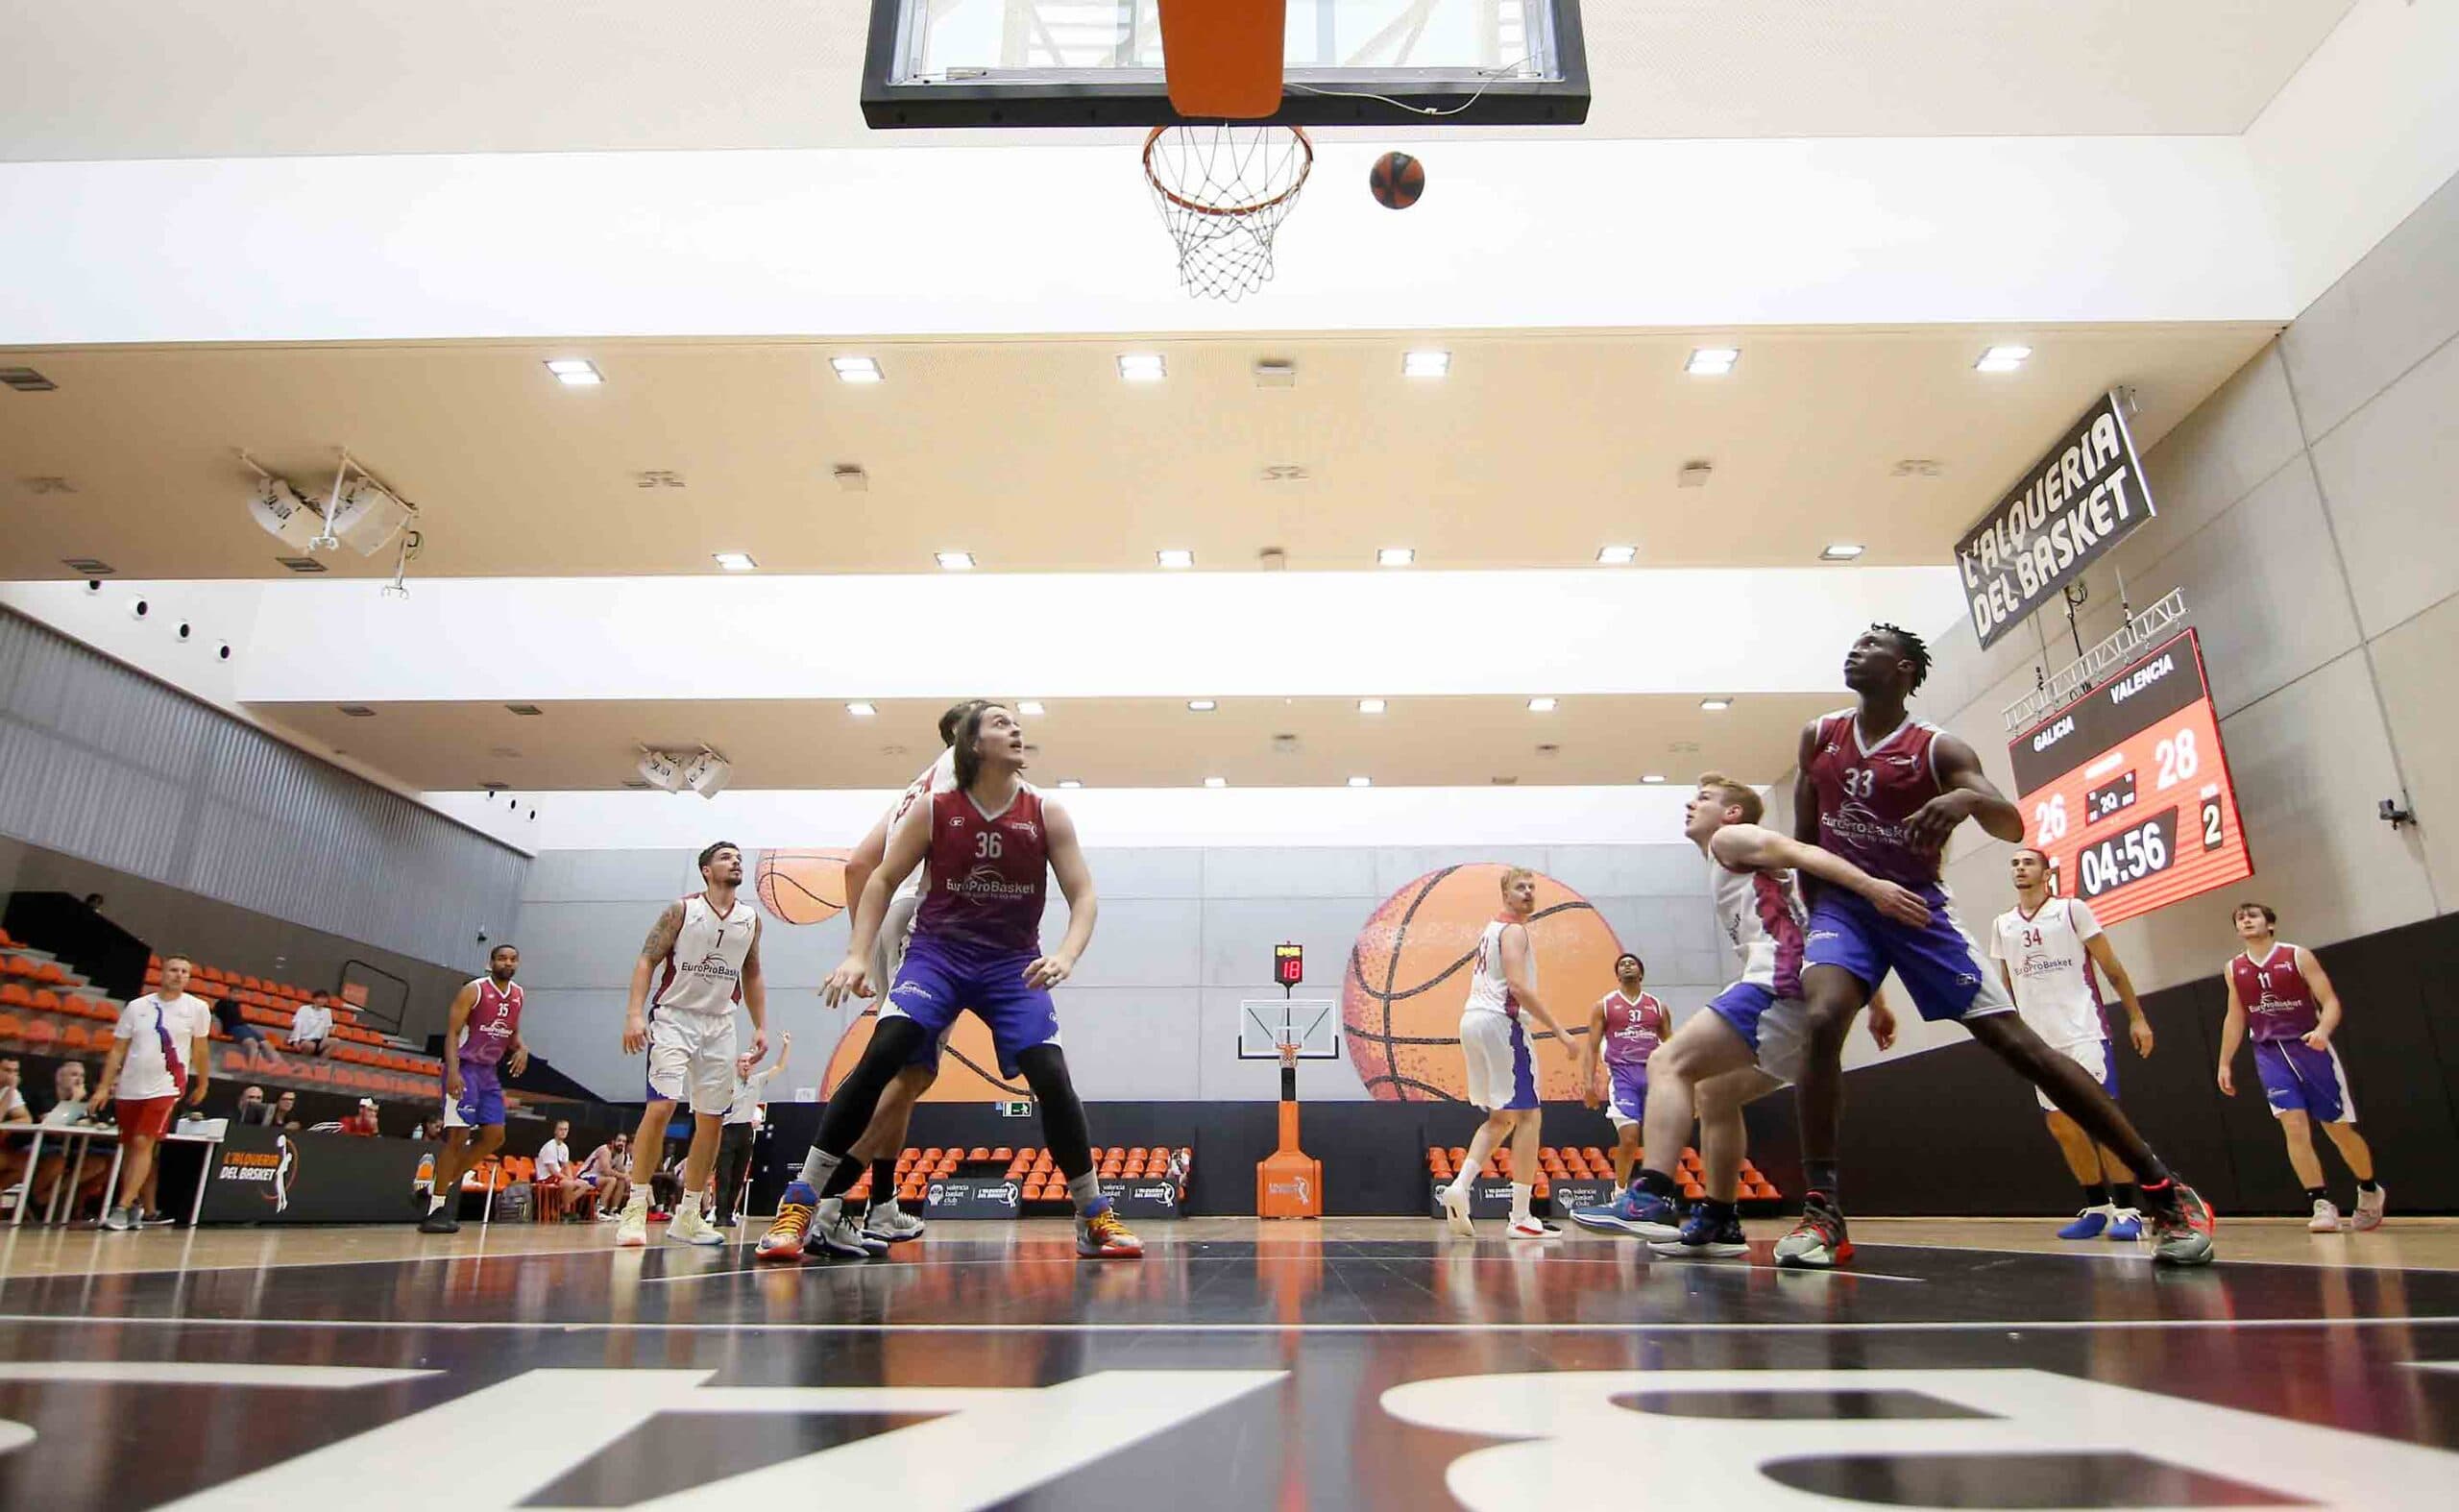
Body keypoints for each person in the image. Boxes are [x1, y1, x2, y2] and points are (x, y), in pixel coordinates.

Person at [1784, 623, 2213, 1268]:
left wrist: (1960, 798)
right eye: (1854, 641)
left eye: (1871, 644)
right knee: (1819, 1019)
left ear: (1903, 668)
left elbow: (2011, 823)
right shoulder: (1819, 736)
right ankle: (1822, 1212)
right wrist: (1826, 936)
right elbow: (1803, 839)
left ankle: (2162, 1188)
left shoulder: (1936, 748)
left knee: (2022, 1049)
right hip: (1845, 907)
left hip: (1915, 910)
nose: (1854, 649)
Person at [777, 701, 1141, 1261]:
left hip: (1010, 963)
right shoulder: (933, 808)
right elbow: (877, 878)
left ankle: (1092, 1214)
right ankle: (802, 1203)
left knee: (1049, 1070)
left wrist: (1067, 954)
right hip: (937, 955)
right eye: (1000, 723)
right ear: (969, 745)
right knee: (889, 1052)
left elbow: (1084, 895)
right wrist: (855, 954)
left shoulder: (1046, 813)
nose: (1016, 728)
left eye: (1016, 721)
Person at [1570, 774, 1915, 1257]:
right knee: (1714, 1093)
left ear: (1732, 814)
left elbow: (1803, 853)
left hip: (1777, 981)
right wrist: (1876, 1002)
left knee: (1667, 1063)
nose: (1691, 804)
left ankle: (1648, 1194)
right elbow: (1813, 917)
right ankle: (1720, 1217)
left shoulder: (1732, 840)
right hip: (1801, 991)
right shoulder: (1738, 866)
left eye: (1705, 799)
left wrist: (1872, 887)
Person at [761, 700, 987, 1260]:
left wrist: (860, 947)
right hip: (931, 927)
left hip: (898, 919)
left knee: (907, 1074)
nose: (1006, 728)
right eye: (994, 719)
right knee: (897, 1074)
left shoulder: (917, 785)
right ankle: (826, 1203)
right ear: (964, 732)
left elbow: (857, 866)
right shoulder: (962, 775)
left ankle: (879, 1203)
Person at [1991, 848, 2158, 1241]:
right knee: (2062, 1126)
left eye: (2028, 862)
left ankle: (2128, 1209)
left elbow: (2111, 966)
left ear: (2047, 872)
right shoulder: (2003, 924)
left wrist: (2137, 1016)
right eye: (2014, 863)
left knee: (2104, 1121)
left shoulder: (2072, 909)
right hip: (2039, 1041)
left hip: (2084, 1032)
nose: (2020, 868)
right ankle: (2096, 1205)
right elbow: (2008, 985)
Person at [614, 843, 768, 1248]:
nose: (735, 862)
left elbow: (752, 973)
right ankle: (634, 1209)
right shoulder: (681, 910)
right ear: (705, 870)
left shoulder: (751, 919)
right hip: (674, 1017)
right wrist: (633, 1014)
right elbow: (647, 958)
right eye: (725, 857)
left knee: (712, 1119)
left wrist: (760, 1026)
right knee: (662, 1106)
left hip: (720, 1023)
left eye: (738, 857)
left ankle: (688, 1214)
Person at [2219, 903, 2385, 1232]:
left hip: (2309, 1048)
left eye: (2252, 915)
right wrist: (2224, 1061)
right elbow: (2235, 1016)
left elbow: (2331, 1001)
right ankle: (2320, 1203)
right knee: (2293, 1127)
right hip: (2269, 1054)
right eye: (2240, 918)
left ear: (2270, 923)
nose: (2246, 920)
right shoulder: (2233, 968)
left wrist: (2323, 1031)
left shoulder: (2297, 956)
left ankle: (2369, 1190)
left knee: (2337, 1129)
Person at [1435, 867, 1577, 1241]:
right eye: (1521, 887)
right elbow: (1515, 984)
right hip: (1502, 1022)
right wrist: (1560, 1030)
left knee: (1502, 1118)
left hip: (1473, 1020)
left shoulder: (1490, 929)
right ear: (1505, 894)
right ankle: (1521, 1216)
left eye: (1532, 887)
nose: (1529, 892)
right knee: (1529, 1116)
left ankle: (1460, 1187)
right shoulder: (1514, 931)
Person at [90, 952, 213, 1231]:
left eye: (184, 971)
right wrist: (102, 1086)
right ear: (162, 972)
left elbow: (201, 1049)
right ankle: (133, 1203)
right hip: (130, 1086)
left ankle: (120, 1208)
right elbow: (118, 1049)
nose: (179, 975)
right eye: (174, 970)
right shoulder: (137, 1006)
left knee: (145, 1142)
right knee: (130, 1145)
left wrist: (203, 1082)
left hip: (167, 1086)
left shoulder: (197, 1008)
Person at [420, 944, 531, 1234]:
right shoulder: (474, 990)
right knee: (458, 1136)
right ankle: (436, 1208)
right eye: (502, 958)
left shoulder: (519, 994)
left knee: (495, 1136)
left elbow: (512, 1033)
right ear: (490, 962)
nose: (507, 962)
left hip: (489, 1072)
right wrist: (453, 1071)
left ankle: (437, 1188)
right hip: (465, 1068)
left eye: (512, 959)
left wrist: (522, 1048)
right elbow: (453, 1033)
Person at [1577, 954, 1668, 1191]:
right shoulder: (1604, 1006)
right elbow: (1592, 1047)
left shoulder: (1657, 1007)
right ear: (1617, 975)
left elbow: (1672, 1047)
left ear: (1641, 973)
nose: (1627, 965)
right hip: (1623, 1075)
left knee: (1660, 1141)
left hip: (1654, 1075)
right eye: (1622, 964)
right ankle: (1619, 1193)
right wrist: (1588, 1084)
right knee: (1629, 1138)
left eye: (1632, 963)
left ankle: (1654, 1196)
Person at [712, 1033, 789, 1229]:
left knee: (739, 1175)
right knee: (724, 1174)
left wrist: (785, 1047)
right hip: (727, 1130)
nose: (746, 1064)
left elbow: (779, 1067)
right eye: (742, 1061)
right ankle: (719, 1214)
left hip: (745, 1131)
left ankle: (729, 1213)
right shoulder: (728, 1082)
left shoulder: (757, 1081)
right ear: (736, 1064)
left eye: (749, 1061)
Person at [534, 1119, 593, 1221]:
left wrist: (570, 1177)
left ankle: (560, 1205)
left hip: (558, 1177)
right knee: (569, 1184)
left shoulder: (564, 1147)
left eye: (565, 1130)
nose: (563, 1132)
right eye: (561, 1129)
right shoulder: (549, 1147)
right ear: (555, 1131)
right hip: (546, 1178)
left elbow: (566, 1166)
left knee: (585, 1185)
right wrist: (568, 1179)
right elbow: (552, 1171)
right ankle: (566, 1212)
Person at [579, 1134, 632, 1218]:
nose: (621, 1143)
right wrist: (624, 1175)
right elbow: (607, 1171)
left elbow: (620, 1169)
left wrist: (627, 1176)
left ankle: (614, 1210)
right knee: (612, 1180)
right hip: (586, 1176)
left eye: (624, 1141)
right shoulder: (605, 1150)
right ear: (613, 1142)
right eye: (619, 1140)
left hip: (600, 1178)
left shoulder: (620, 1153)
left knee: (621, 1181)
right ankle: (600, 1210)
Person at [286, 991, 337, 1057]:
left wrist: (324, 1039)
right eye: (320, 998)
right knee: (310, 1046)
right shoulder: (304, 1009)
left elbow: (326, 1028)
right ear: (314, 999)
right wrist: (295, 1041)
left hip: (318, 1040)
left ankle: (321, 1063)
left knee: (335, 1041)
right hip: (304, 1039)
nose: (322, 1000)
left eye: (324, 999)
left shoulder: (327, 1011)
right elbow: (298, 1025)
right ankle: (304, 1063)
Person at [0, 1057, 27, 1125]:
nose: (12, 1075)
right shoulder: (11, 1089)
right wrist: (12, 1088)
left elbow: (26, 1119)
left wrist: (4, 1129)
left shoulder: (10, 1091)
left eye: (15, 1071)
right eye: (7, 1070)